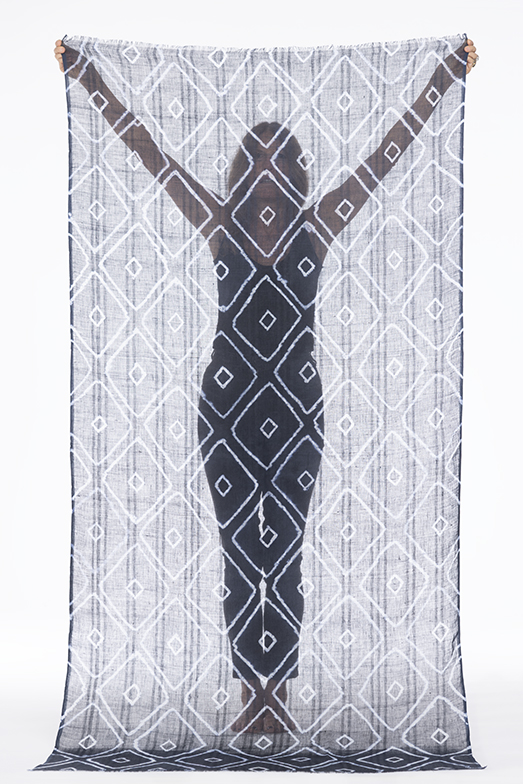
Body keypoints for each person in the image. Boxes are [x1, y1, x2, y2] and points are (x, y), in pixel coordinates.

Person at [53, 36, 478, 734]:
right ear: (243, 170)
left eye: (281, 159)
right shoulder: (219, 226)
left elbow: (384, 158)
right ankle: (249, 689)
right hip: (224, 408)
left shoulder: (316, 227)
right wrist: (89, 77)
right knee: (237, 554)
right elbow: (150, 153)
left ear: (296, 172)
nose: (268, 171)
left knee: (282, 551)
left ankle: (275, 690)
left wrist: (442, 75)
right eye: (257, 158)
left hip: (298, 406)